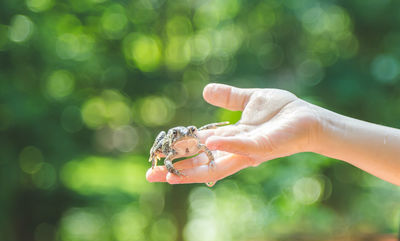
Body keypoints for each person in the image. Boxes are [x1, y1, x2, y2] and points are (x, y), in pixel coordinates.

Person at [146, 83, 400, 186]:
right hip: (170, 142)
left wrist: (317, 128)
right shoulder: (171, 144)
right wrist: (316, 127)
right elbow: (168, 157)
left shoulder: (199, 141)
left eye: (193, 132)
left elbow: (206, 147)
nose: (193, 134)